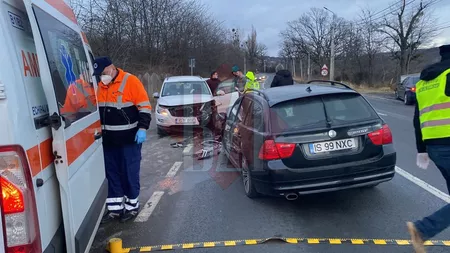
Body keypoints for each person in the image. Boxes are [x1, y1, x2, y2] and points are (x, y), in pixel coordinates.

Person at [93, 57, 152, 223]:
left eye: (103, 73)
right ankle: (115, 209)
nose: (101, 77)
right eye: (99, 75)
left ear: (112, 68)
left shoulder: (130, 81)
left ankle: (132, 207)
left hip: (128, 140)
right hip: (108, 141)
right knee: (111, 174)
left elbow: (145, 107)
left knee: (129, 173)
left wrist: (142, 128)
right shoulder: (98, 86)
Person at [407, 44, 450, 253]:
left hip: (435, 148)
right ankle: (422, 229)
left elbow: (418, 119)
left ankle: (422, 230)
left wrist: (421, 149)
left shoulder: (425, 82)